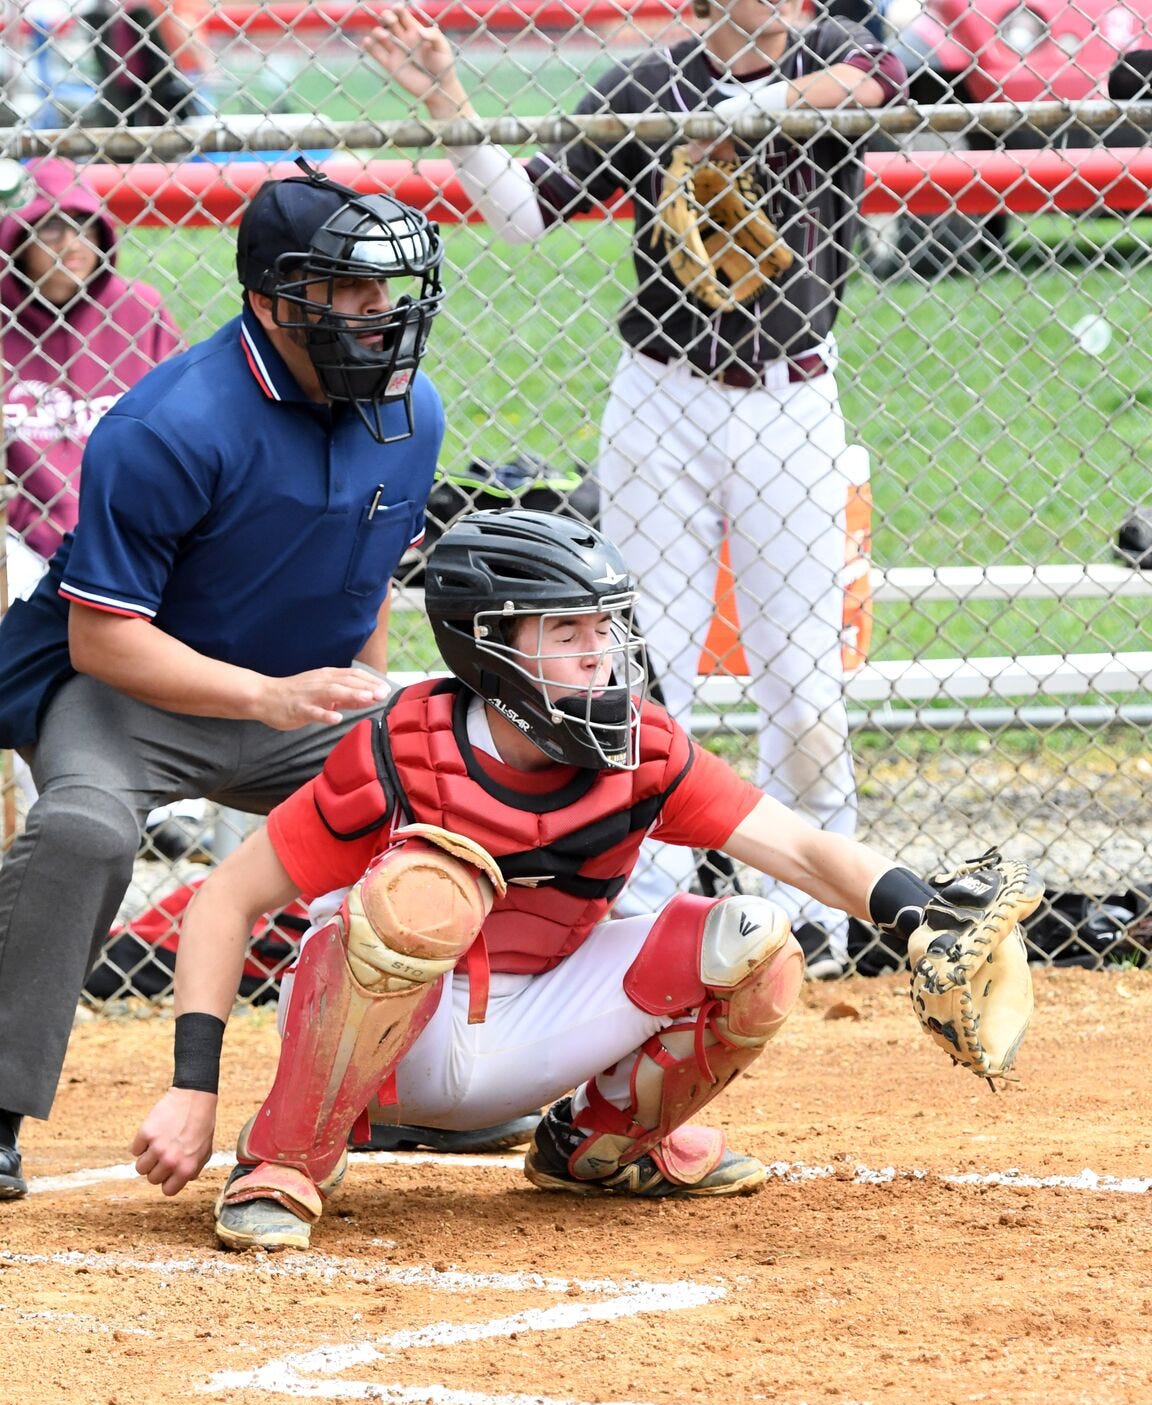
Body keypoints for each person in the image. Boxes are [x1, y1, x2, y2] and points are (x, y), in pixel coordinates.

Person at [130, 509, 988, 1255]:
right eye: (566, 632)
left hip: (540, 1021)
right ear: (489, 645)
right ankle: (286, 1154)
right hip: (391, 1044)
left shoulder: (641, 750)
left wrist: (923, 918)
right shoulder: (401, 751)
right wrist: (192, 1087)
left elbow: (802, 850)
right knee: (428, 889)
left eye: (605, 627)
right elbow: (225, 900)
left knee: (756, 938)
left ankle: (598, 1146)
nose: (600, 654)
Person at [0, 159, 533, 1201]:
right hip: (128, 699)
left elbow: (369, 576)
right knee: (84, 832)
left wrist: (365, 701)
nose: (380, 315)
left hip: (301, 697)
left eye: (388, 291)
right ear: (272, 297)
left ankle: (413, 1090)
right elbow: (104, 639)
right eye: (348, 291)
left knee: (446, 814)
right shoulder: (170, 426)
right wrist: (264, 699)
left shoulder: (408, 409)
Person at [363, 0, 906, 975]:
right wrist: (449, 98)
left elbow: (878, 82)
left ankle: (812, 909)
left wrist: (746, 114)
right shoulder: (650, 83)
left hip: (793, 399)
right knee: (650, 662)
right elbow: (525, 215)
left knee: (806, 681)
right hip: (663, 398)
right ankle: (642, 897)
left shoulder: (830, 48)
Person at [1, 157, 183, 560]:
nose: (70, 244)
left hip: (132, 528)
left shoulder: (140, 310)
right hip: (19, 542)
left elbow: (184, 433)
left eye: (83, 224)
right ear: (17, 240)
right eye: (50, 226)